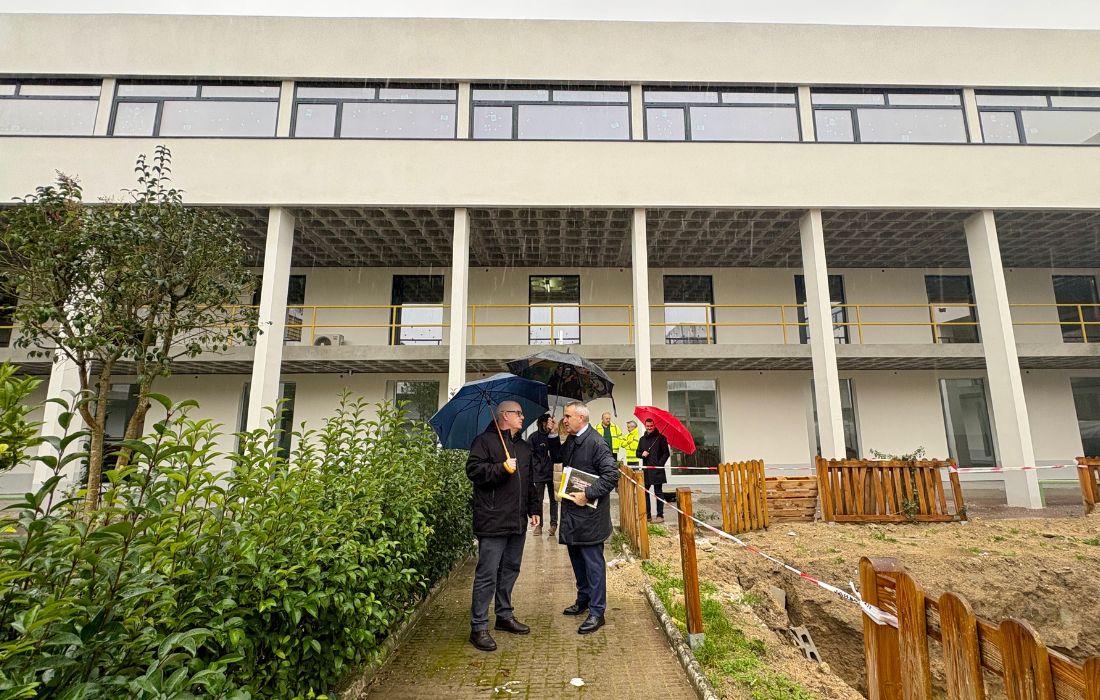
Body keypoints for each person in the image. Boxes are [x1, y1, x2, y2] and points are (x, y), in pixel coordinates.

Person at [465, 400, 540, 652]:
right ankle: (478, 627)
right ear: (504, 416)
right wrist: (500, 468)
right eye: (517, 413)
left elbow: (530, 482)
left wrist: (534, 509)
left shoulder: (523, 447)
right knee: (487, 574)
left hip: (517, 520)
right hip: (493, 519)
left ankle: (504, 616)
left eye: (521, 413)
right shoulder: (484, 441)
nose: (522, 417)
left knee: (510, 570)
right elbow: (474, 471)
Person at [558, 401, 619, 634]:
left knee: (593, 565)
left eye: (568, 416)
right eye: (565, 416)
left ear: (581, 419)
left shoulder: (596, 442)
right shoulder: (573, 439)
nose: (565, 420)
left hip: (590, 518)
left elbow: (611, 475)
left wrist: (587, 493)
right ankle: (583, 599)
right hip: (574, 517)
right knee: (577, 561)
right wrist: (555, 436)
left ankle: (597, 612)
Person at [527, 413, 561, 537]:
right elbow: (529, 456)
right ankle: (538, 526)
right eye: (549, 422)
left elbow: (558, 452)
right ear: (543, 423)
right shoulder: (533, 437)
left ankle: (554, 525)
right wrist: (536, 467)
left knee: (554, 500)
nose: (551, 424)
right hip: (539, 474)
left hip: (552, 473)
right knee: (538, 500)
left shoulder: (553, 436)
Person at [636, 418, 671, 523]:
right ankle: (648, 516)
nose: (649, 428)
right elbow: (637, 453)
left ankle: (660, 516)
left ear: (654, 426)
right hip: (646, 471)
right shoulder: (642, 439)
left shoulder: (661, 438)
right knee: (645, 492)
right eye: (647, 426)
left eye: (651, 426)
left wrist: (659, 465)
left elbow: (666, 453)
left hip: (657, 470)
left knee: (658, 492)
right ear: (645, 426)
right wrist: (642, 454)